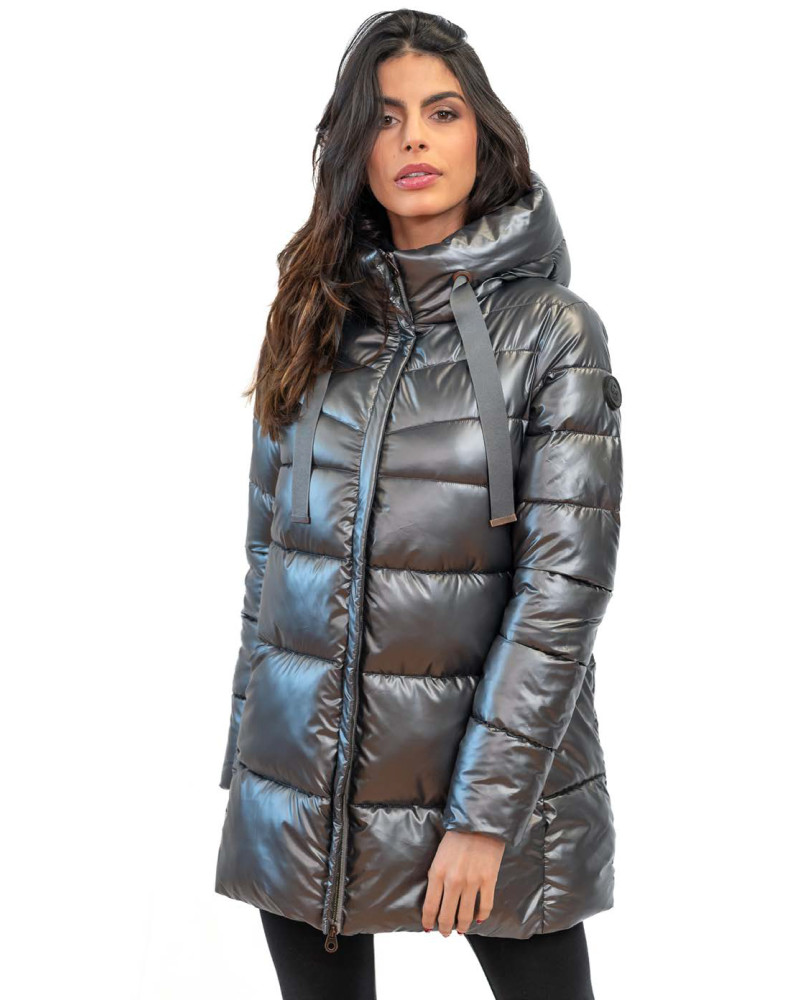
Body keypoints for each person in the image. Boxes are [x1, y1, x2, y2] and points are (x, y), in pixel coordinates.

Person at [215, 10, 623, 999]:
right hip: (302, 789)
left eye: (441, 113)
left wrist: (484, 816)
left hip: (495, 795)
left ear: (483, 133)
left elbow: (561, 592)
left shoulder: (552, 334)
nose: (413, 141)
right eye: (385, 117)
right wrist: (250, 761)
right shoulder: (310, 316)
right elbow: (269, 560)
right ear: (354, 146)